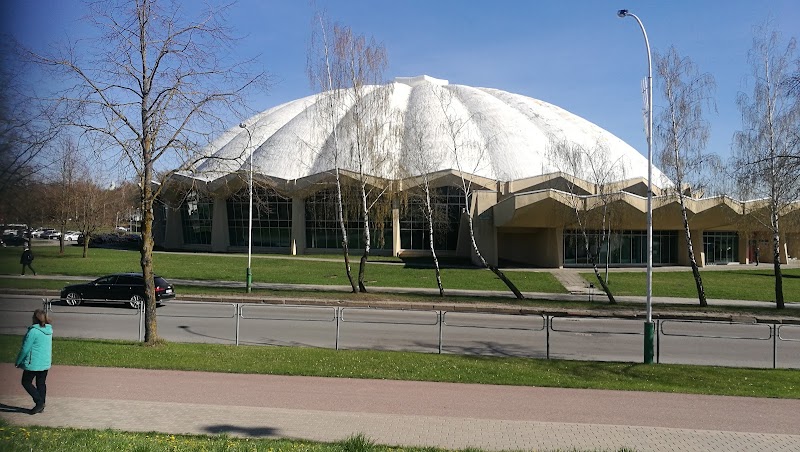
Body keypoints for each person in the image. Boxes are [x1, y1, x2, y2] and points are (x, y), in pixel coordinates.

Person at [15, 309, 53, 414]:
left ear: (35, 318)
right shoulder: (49, 330)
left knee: (26, 382)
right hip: (45, 362)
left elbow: (25, 348)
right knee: (41, 383)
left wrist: (19, 361)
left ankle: (39, 402)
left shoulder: (33, 331)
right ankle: (42, 404)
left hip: (33, 363)